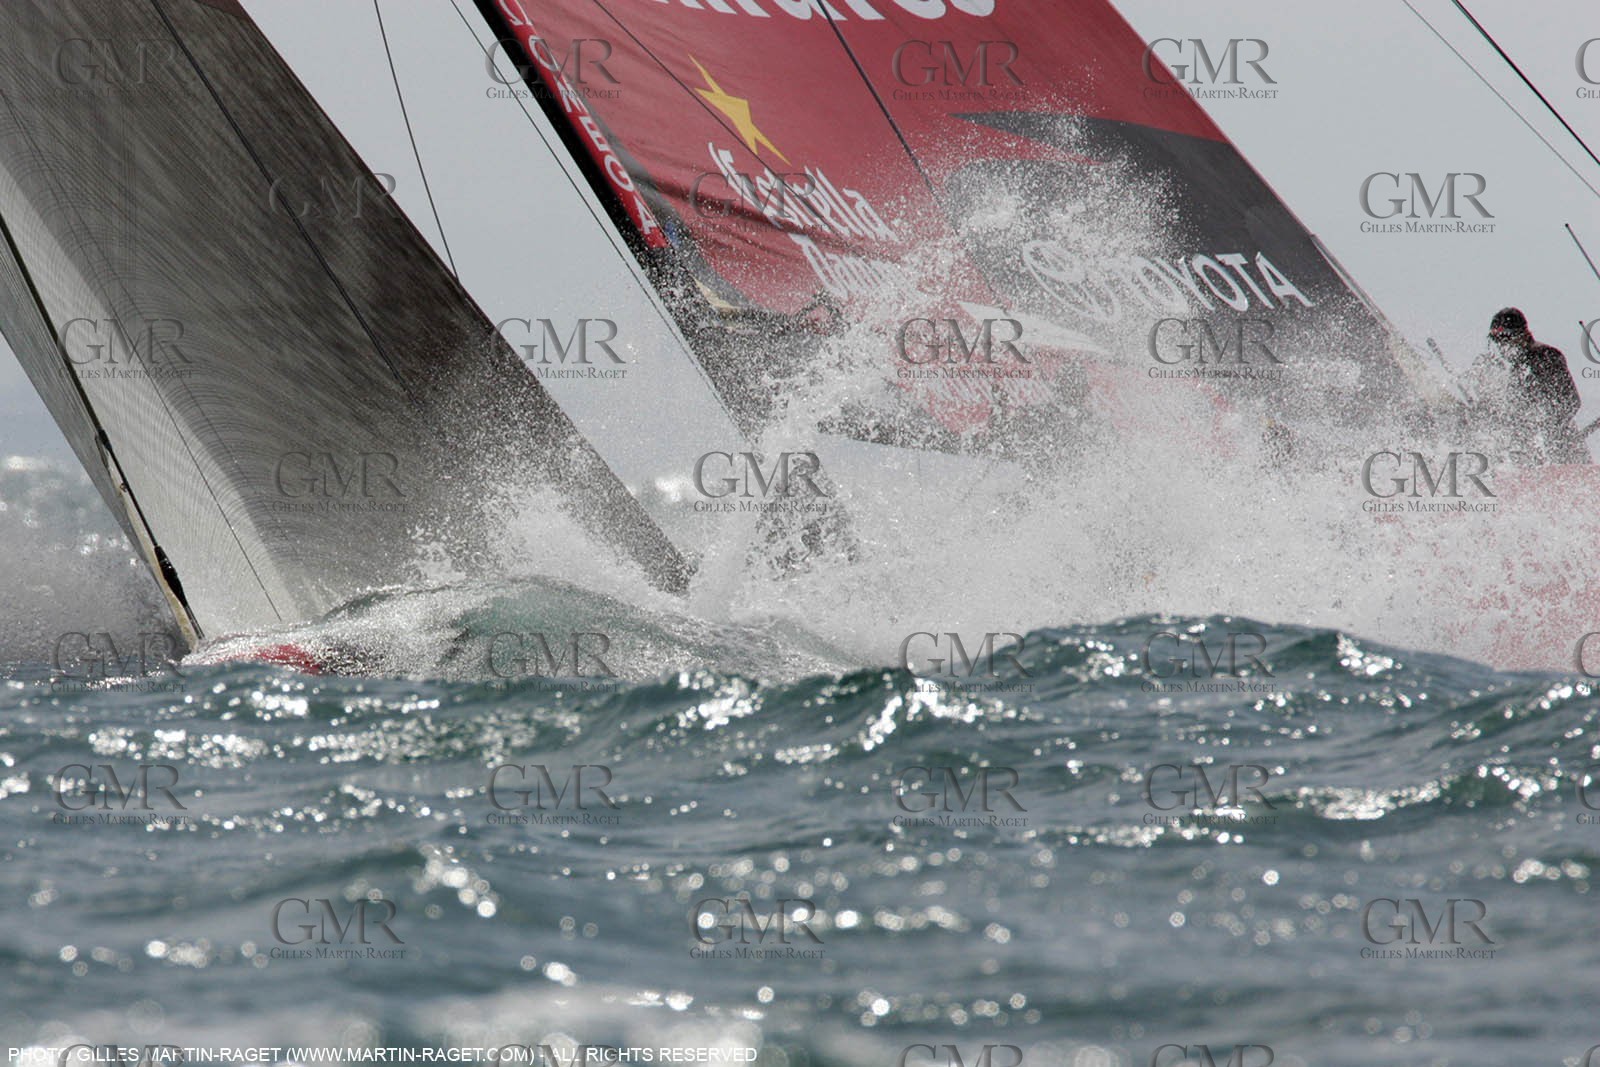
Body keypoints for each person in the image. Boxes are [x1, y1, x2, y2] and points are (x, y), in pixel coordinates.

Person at [1466, 307, 1584, 463]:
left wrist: (1541, 429)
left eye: (1506, 338)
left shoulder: (1544, 357)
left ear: (1522, 335)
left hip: (1561, 455)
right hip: (1525, 456)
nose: (1502, 345)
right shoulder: (1513, 368)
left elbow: (1570, 402)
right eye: (1496, 340)